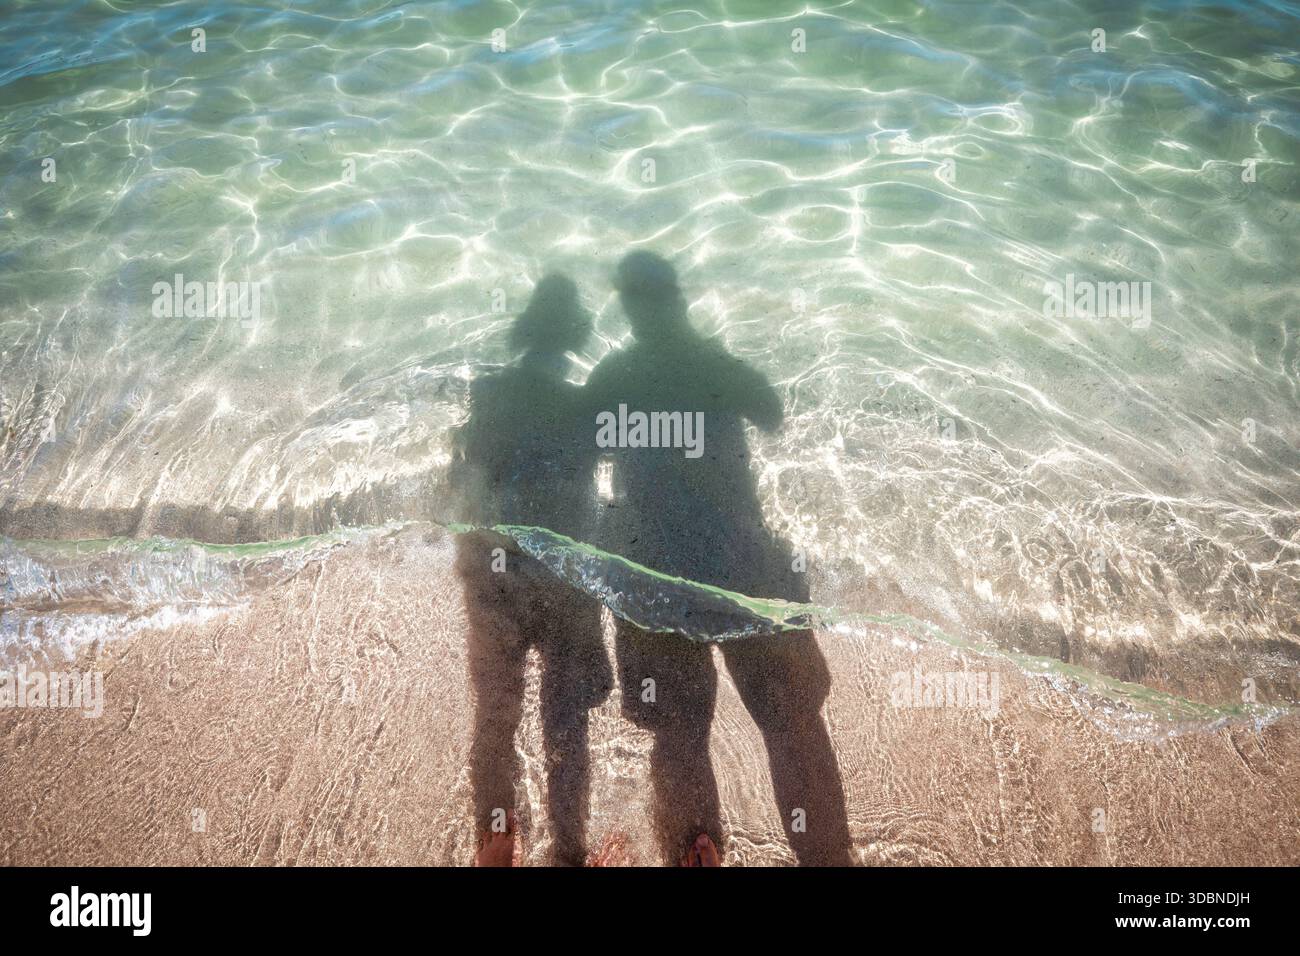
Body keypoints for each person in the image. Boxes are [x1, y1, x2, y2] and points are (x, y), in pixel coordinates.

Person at [584, 251, 852, 866]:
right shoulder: (714, 365)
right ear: (678, 299)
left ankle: (696, 856)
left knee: (678, 734)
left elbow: (574, 448)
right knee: (792, 723)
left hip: (652, 573)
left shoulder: (615, 377)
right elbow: (771, 409)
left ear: (627, 308)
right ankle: (829, 861)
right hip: (744, 565)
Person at [449, 274, 611, 866]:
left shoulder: (486, 393)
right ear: (575, 334)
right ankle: (568, 851)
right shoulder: (583, 407)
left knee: (496, 712)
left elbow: (462, 484)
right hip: (561, 578)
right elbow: (594, 501)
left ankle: (496, 844)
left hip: (490, 569)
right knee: (564, 720)